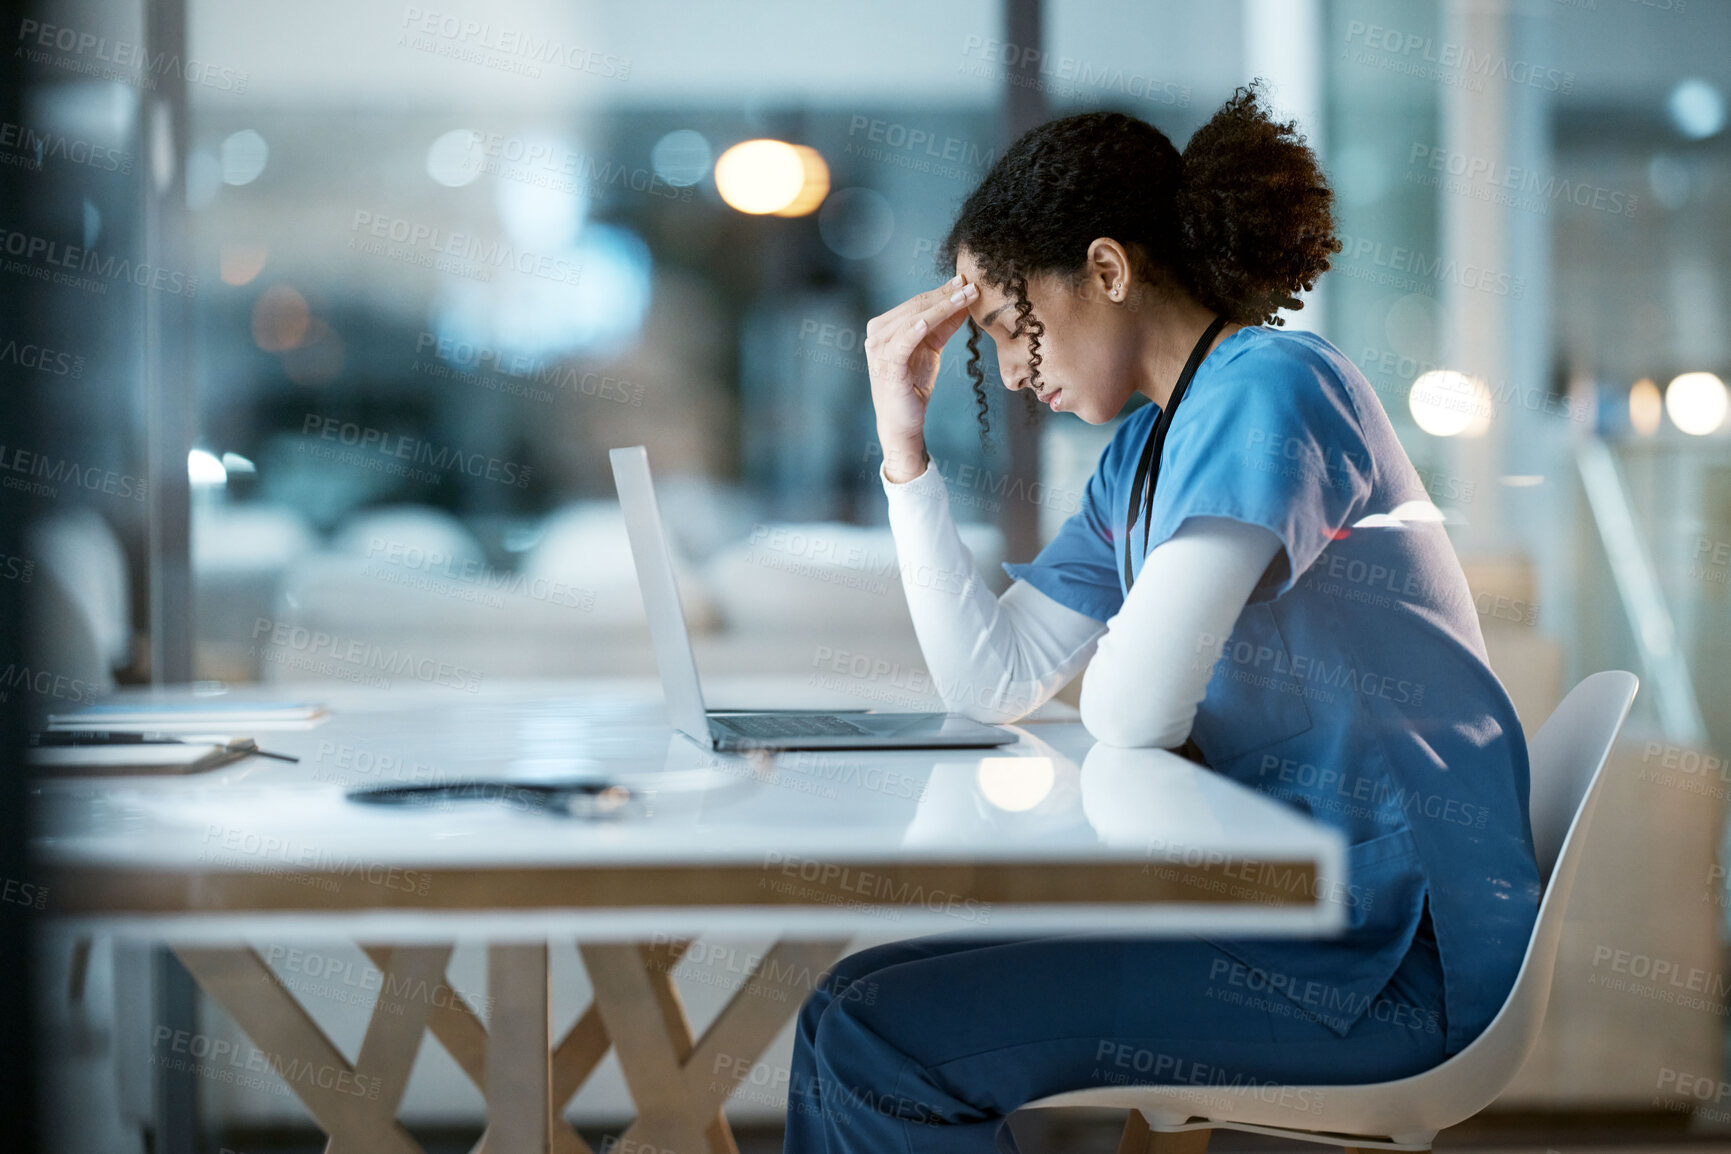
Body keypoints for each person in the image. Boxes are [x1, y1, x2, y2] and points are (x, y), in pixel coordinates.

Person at [781, 83, 1540, 1154]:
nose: (1008, 369)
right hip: (1286, 926)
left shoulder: (1276, 386)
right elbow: (993, 679)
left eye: (1010, 325)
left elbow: (1133, 711)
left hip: (1388, 960)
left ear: (1106, 269)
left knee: (877, 1034)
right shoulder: (1141, 458)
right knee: (853, 995)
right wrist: (903, 444)